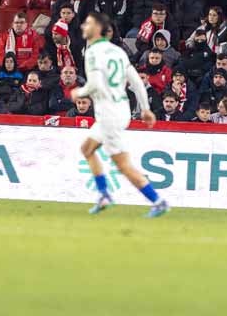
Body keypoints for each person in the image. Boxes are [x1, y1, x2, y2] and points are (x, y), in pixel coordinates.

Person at [71, 12, 169, 218]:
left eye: (88, 24)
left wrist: (78, 92)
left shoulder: (92, 52)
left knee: (122, 165)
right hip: (120, 108)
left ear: (98, 29)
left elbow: (95, 84)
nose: (83, 27)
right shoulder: (117, 51)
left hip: (108, 114)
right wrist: (145, 108)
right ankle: (104, 193)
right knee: (87, 148)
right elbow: (135, 81)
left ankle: (157, 201)